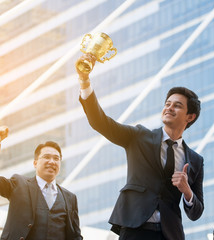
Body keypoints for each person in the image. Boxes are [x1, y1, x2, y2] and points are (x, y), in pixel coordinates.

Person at [75, 53, 204, 240]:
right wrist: (84, 80)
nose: (169, 108)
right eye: (167, 104)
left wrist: (187, 191)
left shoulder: (195, 160)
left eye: (177, 106)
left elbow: (196, 212)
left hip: (170, 234)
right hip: (134, 229)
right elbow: (99, 122)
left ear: (190, 117)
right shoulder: (139, 136)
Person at [0, 126, 83, 240]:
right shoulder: (19, 184)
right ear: (35, 163)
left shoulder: (70, 198)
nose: (52, 161)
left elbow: (75, 236)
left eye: (56, 158)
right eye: (46, 157)